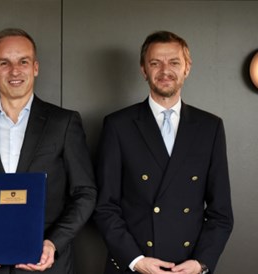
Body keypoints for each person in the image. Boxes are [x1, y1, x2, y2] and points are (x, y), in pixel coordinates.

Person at [0, 28, 97, 274]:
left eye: (23, 61)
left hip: (48, 266)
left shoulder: (64, 122)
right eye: (4, 63)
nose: (15, 70)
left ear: (35, 67)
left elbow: (85, 193)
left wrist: (54, 243)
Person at [94, 31, 234, 274]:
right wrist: (136, 260)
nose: (164, 70)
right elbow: (105, 206)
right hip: (133, 265)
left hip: (187, 267)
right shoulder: (118, 125)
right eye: (155, 63)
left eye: (174, 62)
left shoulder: (210, 127)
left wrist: (201, 263)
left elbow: (221, 212)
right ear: (143, 69)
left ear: (187, 68)